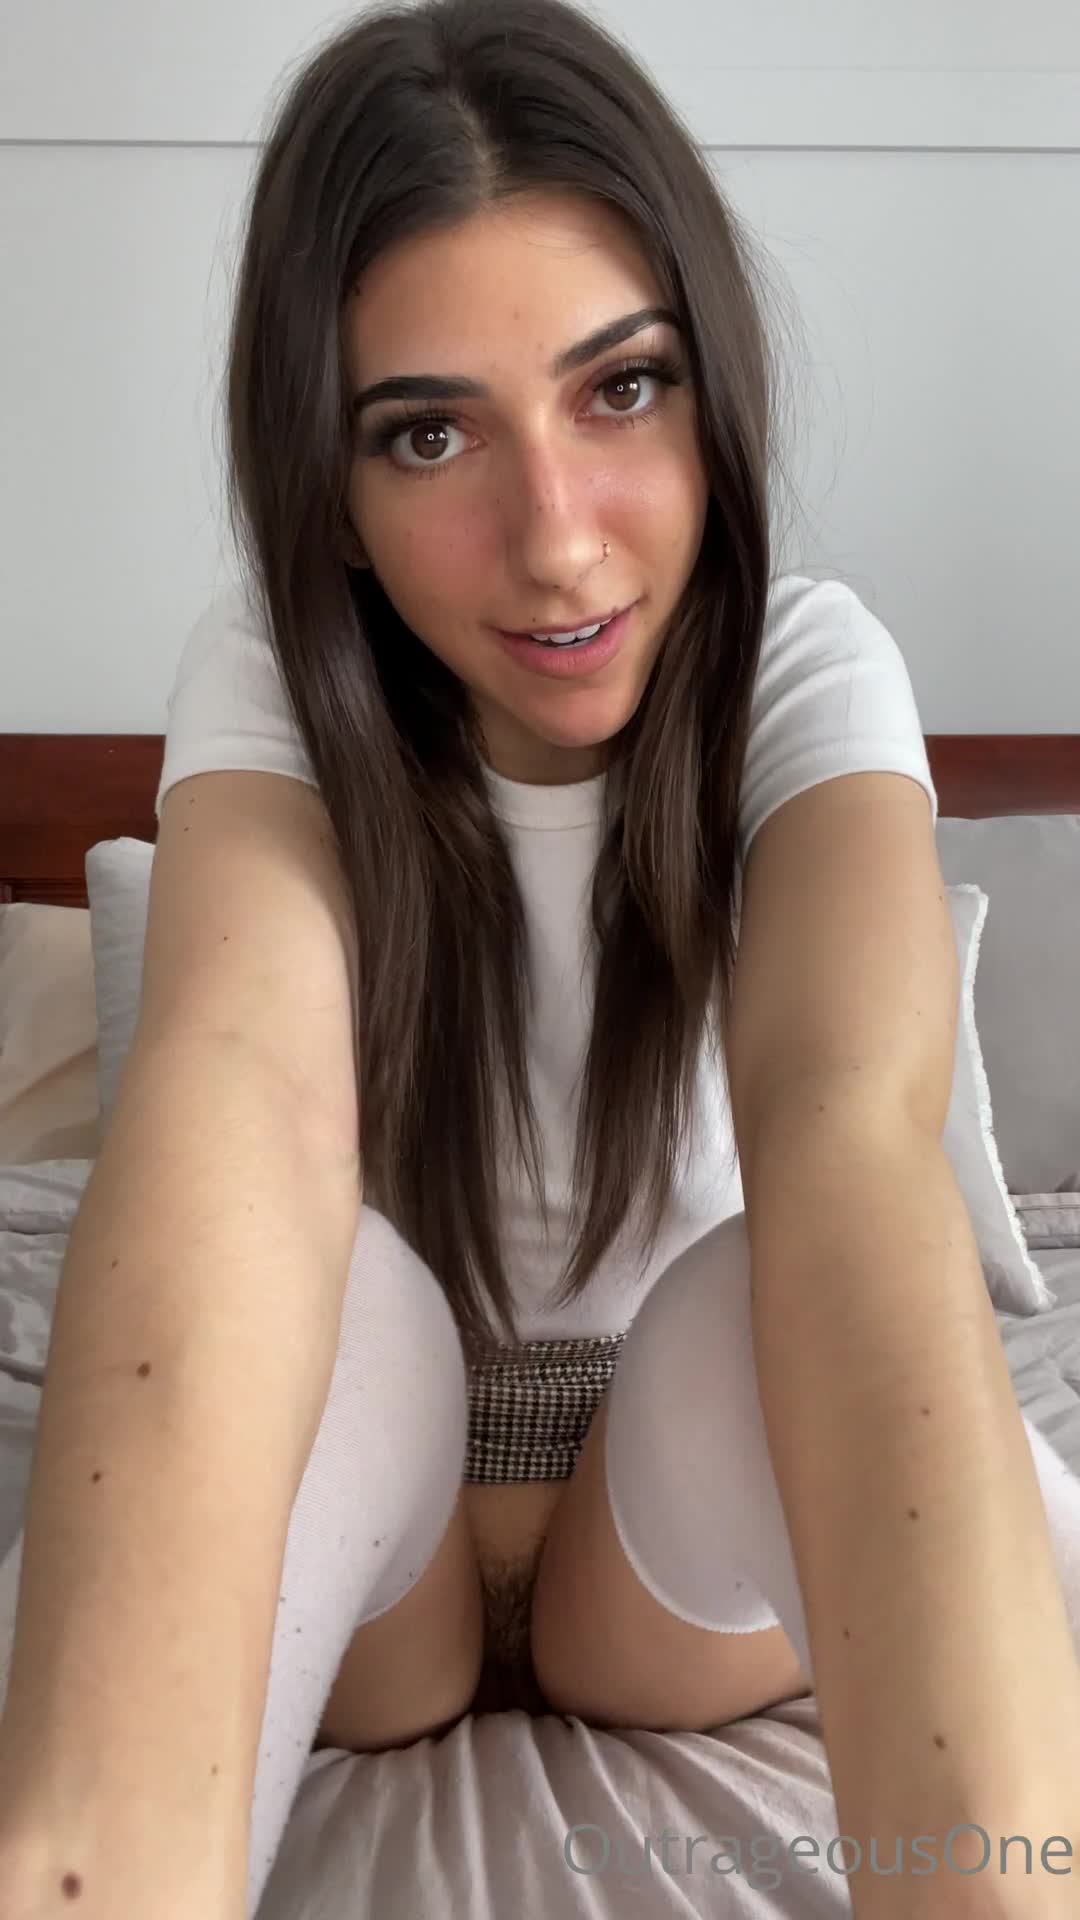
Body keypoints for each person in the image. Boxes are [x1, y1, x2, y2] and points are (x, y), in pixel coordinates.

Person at [3, 1, 1080, 1914]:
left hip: (679, 1539)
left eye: (622, 389)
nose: (559, 543)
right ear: (332, 494)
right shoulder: (271, 684)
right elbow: (241, 1096)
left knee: (772, 1287)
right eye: (430, 435)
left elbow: (845, 1133)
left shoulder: (806, 674)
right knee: (343, 1295)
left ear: (712, 392)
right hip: (389, 1536)